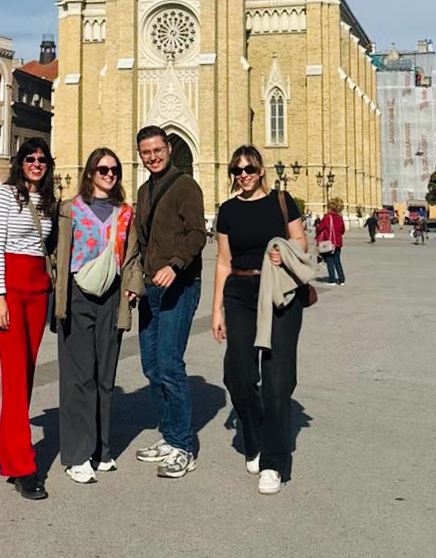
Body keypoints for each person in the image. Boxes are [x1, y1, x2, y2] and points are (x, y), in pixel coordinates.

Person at [212, 146, 308, 495]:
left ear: (262, 169)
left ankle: (273, 461)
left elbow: (302, 242)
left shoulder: (283, 201)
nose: (243, 174)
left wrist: (283, 250)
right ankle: (254, 434)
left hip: (279, 293)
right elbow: (223, 261)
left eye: (249, 167)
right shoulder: (228, 210)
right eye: (236, 170)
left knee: (277, 381)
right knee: (237, 375)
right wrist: (217, 309)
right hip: (239, 291)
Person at [54, 148, 142, 485]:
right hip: (77, 295)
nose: (109, 174)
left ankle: (101, 450)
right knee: (79, 377)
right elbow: (54, 252)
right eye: (102, 169)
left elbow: (133, 257)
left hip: (112, 297)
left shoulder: (125, 212)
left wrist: (133, 286)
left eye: (114, 169)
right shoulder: (69, 210)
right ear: (90, 172)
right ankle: (77, 455)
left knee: (105, 375)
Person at [131, 125, 207, 480]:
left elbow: (197, 234)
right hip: (151, 289)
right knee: (151, 365)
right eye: (146, 152)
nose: (152, 156)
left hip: (180, 285)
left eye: (157, 150)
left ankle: (182, 445)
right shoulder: (144, 191)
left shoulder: (186, 186)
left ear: (168, 148)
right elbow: (141, 241)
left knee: (170, 364)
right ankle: (168, 433)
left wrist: (175, 265)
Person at [0, 140, 56, 501]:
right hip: (9, 288)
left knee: (25, 374)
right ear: (20, 162)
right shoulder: (3, 195)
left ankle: (4, 453)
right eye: (30, 159)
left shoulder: (46, 199)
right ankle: (22, 467)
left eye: (42, 159)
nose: (36, 164)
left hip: (37, 289)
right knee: (14, 377)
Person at [317, 198, 346, 285]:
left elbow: (320, 228)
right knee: (337, 261)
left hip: (329, 243)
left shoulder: (327, 217)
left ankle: (332, 280)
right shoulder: (340, 218)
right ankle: (341, 280)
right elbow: (342, 230)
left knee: (330, 261)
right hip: (338, 243)